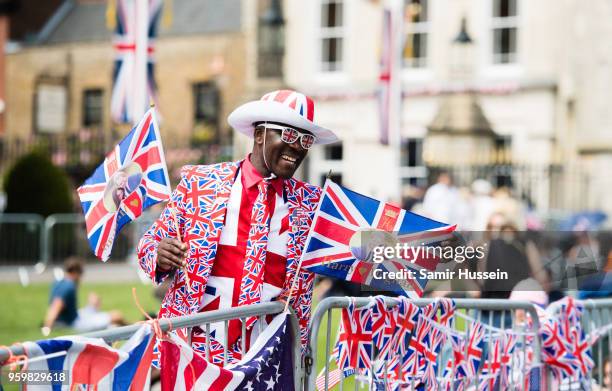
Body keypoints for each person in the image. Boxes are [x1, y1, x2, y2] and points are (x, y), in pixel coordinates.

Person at [137, 90, 339, 365]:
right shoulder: (201, 184)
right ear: (259, 135)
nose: (298, 147)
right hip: (196, 348)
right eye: (289, 136)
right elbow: (150, 243)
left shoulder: (314, 205)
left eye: (306, 140)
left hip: (268, 357)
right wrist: (159, 255)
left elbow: (360, 252)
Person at [42, 258, 124, 335]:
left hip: (73, 316)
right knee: (116, 316)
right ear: (75, 272)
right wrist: (47, 327)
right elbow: (57, 304)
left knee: (93, 301)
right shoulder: (69, 286)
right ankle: (133, 329)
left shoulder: (59, 282)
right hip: (73, 323)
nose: (80, 278)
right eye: (80, 274)